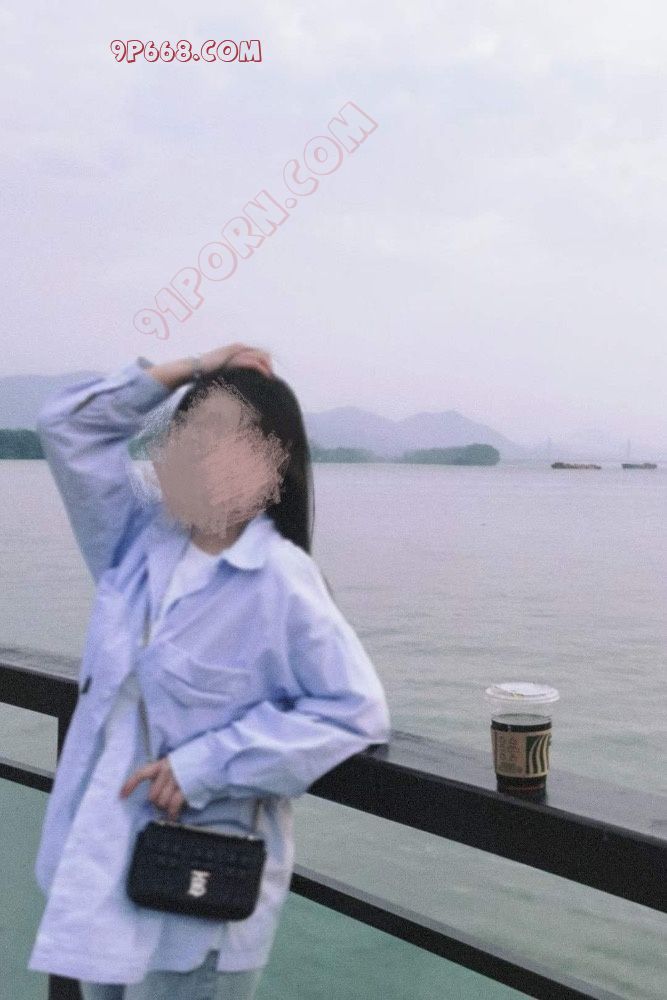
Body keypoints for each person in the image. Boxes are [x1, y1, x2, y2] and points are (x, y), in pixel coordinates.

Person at [27, 343, 392, 1000]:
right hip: (98, 873)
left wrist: (204, 765)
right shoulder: (136, 542)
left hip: (196, 893)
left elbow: (353, 711)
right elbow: (68, 428)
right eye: (184, 433)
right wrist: (195, 367)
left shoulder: (279, 580)